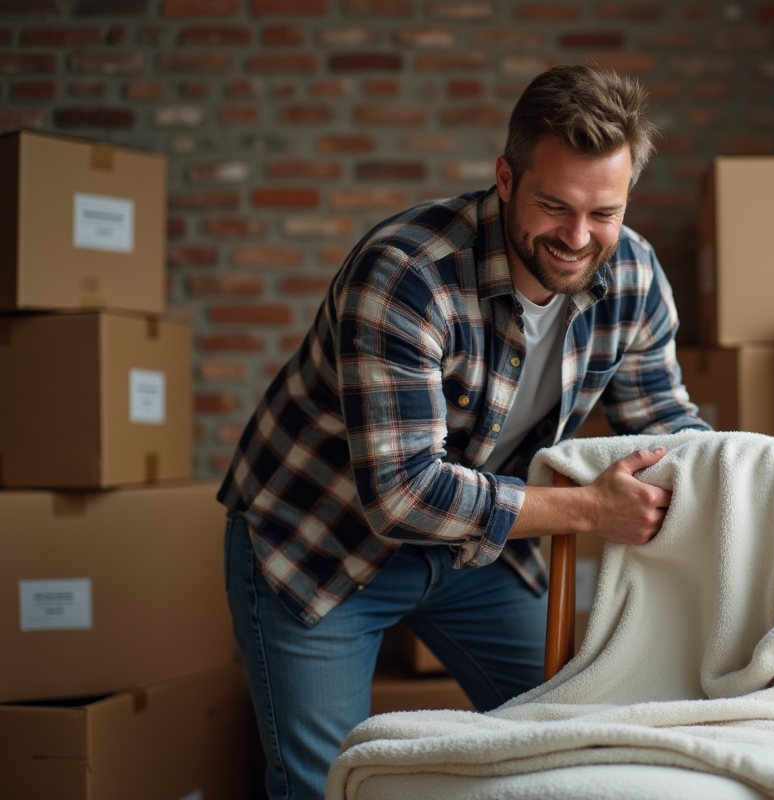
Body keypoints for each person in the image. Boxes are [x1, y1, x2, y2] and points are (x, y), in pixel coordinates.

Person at [217, 64, 710, 800]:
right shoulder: (406, 273)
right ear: (505, 179)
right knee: (326, 788)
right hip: (321, 543)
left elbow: (668, 430)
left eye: (604, 212)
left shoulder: (633, 276)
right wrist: (587, 510)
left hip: (477, 554)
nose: (579, 237)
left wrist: (772, 478)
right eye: (554, 205)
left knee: (576, 743)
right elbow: (402, 495)